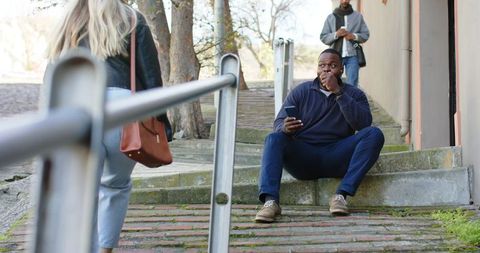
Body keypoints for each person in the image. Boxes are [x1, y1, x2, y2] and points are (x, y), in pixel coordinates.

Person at [46, 0, 163, 252]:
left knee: (82, 189)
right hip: (123, 110)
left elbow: (53, 72)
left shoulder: (69, 20)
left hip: (77, 108)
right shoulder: (132, 19)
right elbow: (151, 76)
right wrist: (161, 121)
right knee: (116, 185)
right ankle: (104, 249)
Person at [255, 48, 384, 223]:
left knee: (374, 134)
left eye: (332, 65)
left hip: (338, 156)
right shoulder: (302, 91)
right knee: (273, 138)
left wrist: (338, 92)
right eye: (322, 65)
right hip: (304, 159)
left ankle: (340, 196)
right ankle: (270, 202)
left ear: (341, 70)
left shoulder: (354, 94)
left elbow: (363, 125)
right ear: (317, 69)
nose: (326, 69)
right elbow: (278, 123)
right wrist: (284, 128)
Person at [320, 0, 369, 87]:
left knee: (352, 84)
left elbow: (365, 35)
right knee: (332, 81)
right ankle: (334, 100)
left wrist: (353, 36)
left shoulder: (358, 16)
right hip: (335, 56)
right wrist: (336, 34)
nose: (345, 1)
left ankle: (349, 100)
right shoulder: (331, 17)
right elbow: (323, 37)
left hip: (353, 55)